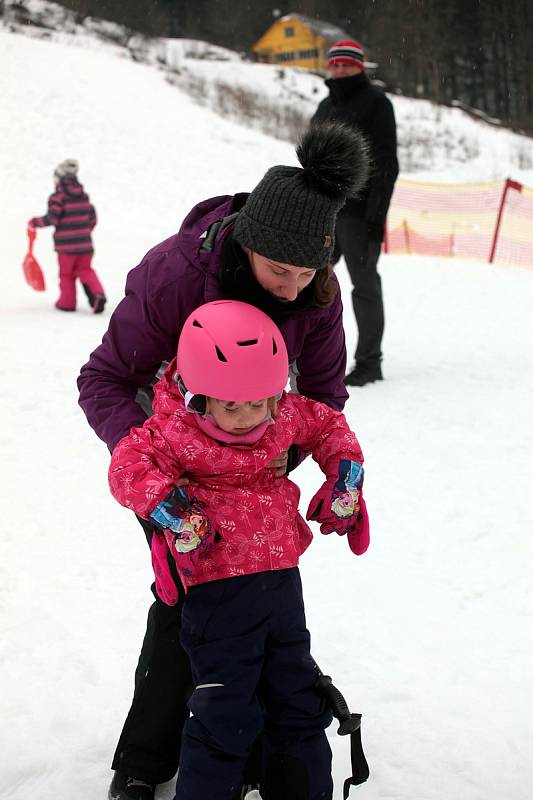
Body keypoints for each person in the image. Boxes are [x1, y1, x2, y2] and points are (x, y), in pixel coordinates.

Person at [77, 121, 369, 800]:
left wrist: (276, 473)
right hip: (169, 453)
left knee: (258, 603)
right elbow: (104, 380)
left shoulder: (314, 294)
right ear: (246, 247)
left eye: (309, 272)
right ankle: (147, 759)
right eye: (279, 271)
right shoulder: (177, 273)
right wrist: (165, 474)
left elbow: (323, 399)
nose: (294, 288)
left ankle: (265, 752)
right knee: (186, 600)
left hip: (257, 445)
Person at [108, 299, 370, 800]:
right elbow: (127, 468)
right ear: (197, 395)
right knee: (226, 711)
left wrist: (346, 479)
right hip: (217, 597)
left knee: (296, 702)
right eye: (230, 405)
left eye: (259, 402)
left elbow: (330, 426)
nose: (247, 418)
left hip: (282, 592)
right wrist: (174, 510)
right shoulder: (175, 433)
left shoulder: (281, 413)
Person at [312, 39, 399, 386]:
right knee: (308, 282)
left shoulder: (377, 104)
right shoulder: (324, 106)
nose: (341, 69)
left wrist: (376, 217)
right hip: (325, 212)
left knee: (363, 285)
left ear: (360, 67)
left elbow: (386, 164)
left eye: (348, 64)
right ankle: (308, 354)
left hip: (360, 213)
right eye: (336, 64)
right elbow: (313, 159)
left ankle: (369, 361)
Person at [29, 158, 107, 313]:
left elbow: (52, 218)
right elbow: (92, 217)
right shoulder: (83, 196)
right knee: (86, 270)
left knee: (66, 274)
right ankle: (98, 294)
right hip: (85, 245)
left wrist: (35, 222)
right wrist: (84, 231)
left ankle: (67, 303)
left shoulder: (57, 197)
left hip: (66, 247)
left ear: (59, 180)